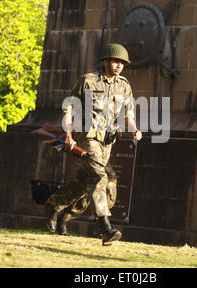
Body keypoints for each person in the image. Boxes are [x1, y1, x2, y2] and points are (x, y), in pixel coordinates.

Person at [45, 43, 142, 245]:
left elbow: (128, 113)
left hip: (108, 141)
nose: (119, 66)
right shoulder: (88, 81)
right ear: (106, 61)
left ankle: (57, 206)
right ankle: (105, 228)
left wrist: (133, 128)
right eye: (116, 61)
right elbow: (68, 108)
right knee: (99, 177)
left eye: (122, 63)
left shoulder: (124, 86)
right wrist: (69, 135)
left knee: (85, 182)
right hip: (88, 138)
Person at [54, 163, 118, 239]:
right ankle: (63, 218)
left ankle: (102, 228)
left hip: (103, 156)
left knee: (109, 183)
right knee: (84, 191)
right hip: (93, 156)